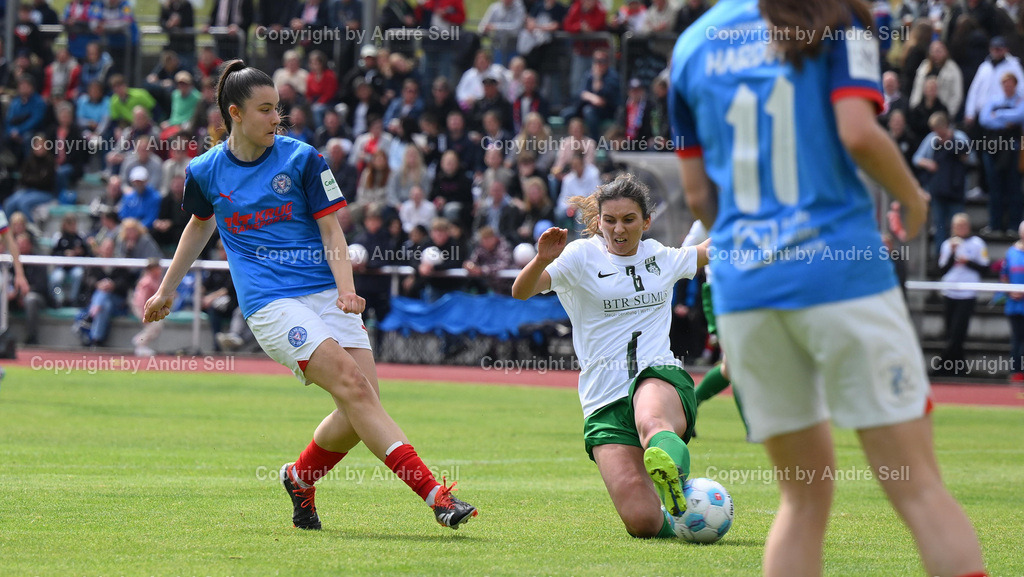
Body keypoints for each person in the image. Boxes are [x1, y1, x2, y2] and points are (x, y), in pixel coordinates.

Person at [671, 1, 986, 576]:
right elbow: (858, 133)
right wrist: (914, 200)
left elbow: (698, 199)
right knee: (918, 489)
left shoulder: (692, 44)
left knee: (803, 499)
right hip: (842, 278)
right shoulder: (834, 16)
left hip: (748, 291)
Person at [143, 60, 477, 531]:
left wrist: (346, 291)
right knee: (356, 391)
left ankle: (300, 477)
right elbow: (199, 227)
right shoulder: (205, 171)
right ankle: (436, 496)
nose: (277, 118)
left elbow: (331, 231)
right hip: (270, 304)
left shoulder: (302, 158)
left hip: (325, 292)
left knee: (363, 402)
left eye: (278, 107)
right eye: (265, 110)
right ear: (235, 113)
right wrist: (166, 289)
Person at [512, 174, 710, 538]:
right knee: (642, 522)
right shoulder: (580, 256)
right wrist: (541, 260)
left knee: (652, 422)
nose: (619, 229)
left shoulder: (660, 256)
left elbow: (712, 250)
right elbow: (521, 291)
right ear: (598, 222)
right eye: (610, 220)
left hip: (657, 374)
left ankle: (671, 471)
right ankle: (680, 518)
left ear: (646, 222)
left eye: (629, 220)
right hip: (603, 397)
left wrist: (751, 218)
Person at [937, 213, 989, 371]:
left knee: (958, 331)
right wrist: (953, 254)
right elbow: (942, 269)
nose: (960, 229)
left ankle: (943, 366)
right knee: (950, 331)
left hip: (967, 293)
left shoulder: (977, 243)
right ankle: (958, 367)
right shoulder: (947, 244)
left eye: (963, 226)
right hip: (950, 292)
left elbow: (985, 268)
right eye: (957, 226)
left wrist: (968, 262)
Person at [1000, 220, 1024, 382]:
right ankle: (1016, 371)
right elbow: (1004, 275)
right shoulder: (1011, 252)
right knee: (1016, 338)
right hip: (1014, 305)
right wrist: (1010, 290)